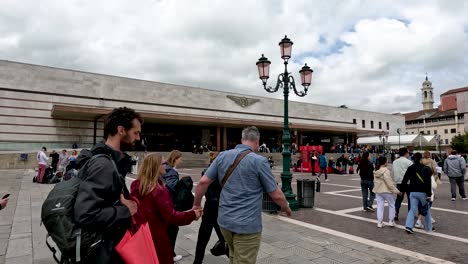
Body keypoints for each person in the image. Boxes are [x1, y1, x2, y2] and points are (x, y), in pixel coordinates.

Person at [193, 126, 292, 264]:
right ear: (257, 141)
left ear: (242, 139)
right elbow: (276, 194)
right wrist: (286, 207)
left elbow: (203, 182)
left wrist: (196, 205)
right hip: (246, 225)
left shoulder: (222, 156)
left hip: (225, 222)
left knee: (233, 256)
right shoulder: (259, 161)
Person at [74, 107, 142, 263]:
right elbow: (85, 214)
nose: (138, 138)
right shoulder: (104, 165)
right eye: (135, 133)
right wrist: (125, 210)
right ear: (121, 130)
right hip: (102, 252)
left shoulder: (109, 161)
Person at [130, 153, 202, 264]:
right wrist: (192, 214)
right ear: (155, 167)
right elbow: (171, 216)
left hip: (140, 234)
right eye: (163, 163)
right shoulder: (158, 190)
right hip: (157, 236)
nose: (165, 166)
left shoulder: (135, 185)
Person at [194, 152, 226, 264]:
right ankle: (233, 258)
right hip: (220, 206)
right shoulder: (224, 172)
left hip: (209, 205)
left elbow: (203, 186)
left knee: (202, 237)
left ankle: (197, 262)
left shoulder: (206, 171)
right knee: (224, 236)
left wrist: (197, 204)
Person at [402, 153, 433, 234]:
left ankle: (408, 226)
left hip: (412, 192)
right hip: (422, 192)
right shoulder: (426, 168)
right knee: (426, 209)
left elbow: (404, 180)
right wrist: (429, 194)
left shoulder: (410, 168)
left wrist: (404, 189)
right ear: (420, 159)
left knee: (412, 210)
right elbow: (428, 182)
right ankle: (429, 228)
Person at [162, 150, 184, 262]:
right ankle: (170, 255)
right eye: (180, 158)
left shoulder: (164, 167)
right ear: (175, 159)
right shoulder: (171, 171)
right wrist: (182, 185)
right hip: (169, 205)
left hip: (162, 205)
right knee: (172, 230)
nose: (182, 161)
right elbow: (172, 186)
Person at [373, 156, 401, 228]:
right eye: (387, 161)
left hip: (378, 191)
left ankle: (379, 222)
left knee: (380, 206)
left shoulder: (376, 170)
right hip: (386, 191)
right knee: (391, 205)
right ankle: (391, 221)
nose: (388, 162)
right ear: (385, 162)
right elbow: (389, 183)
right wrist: (397, 191)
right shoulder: (386, 171)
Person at [392, 148, 413, 220]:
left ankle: (396, 212)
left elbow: (393, 172)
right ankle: (410, 214)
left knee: (399, 199)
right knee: (410, 199)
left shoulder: (395, 162)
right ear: (405, 153)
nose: (408, 154)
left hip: (399, 183)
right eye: (408, 152)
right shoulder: (409, 162)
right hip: (408, 183)